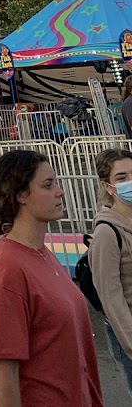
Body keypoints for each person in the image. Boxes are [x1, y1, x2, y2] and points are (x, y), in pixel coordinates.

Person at [0, 150, 103, 407]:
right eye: (48, 185)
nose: (60, 192)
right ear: (20, 194)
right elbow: (4, 371)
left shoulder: (41, 253)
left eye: (56, 183)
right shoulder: (8, 267)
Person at [90, 148, 132, 396]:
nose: (130, 182)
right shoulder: (107, 233)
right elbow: (111, 297)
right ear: (108, 187)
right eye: (122, 177)